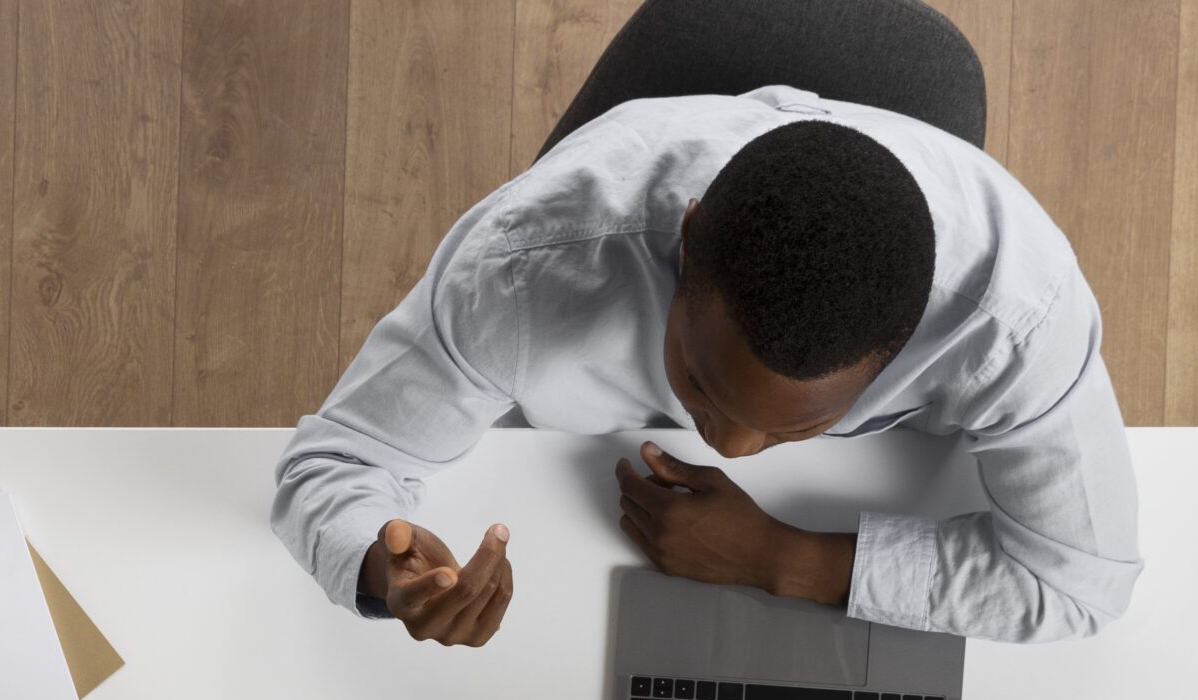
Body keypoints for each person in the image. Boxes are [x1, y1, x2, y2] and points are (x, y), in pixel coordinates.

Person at [272, 91, 1142, 648]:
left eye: (802, 426)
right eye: (700, 386)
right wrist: (384, 574)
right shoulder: (525, 267)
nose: (730, 447)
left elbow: (1081, 583)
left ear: (910, 343)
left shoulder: (1015, 317)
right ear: (685, 247)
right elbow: (338, 463)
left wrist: (784, 559)